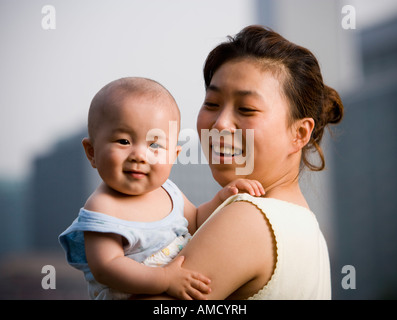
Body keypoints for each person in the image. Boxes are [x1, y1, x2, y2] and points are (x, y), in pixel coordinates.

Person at [143, 25, 344, 300]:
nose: (220, 124)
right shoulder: (309, 230)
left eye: (246, 109)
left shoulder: (247, 218)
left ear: (299, 133)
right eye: (212, 103)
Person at [59, 77, 265, 300]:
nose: (139, 155)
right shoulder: (103, 207)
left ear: (173, 156)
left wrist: (223, 198)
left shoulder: (169, 192)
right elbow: (107, 267)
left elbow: (196, 221)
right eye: (124, 141)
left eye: (154, 145)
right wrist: (165, 279)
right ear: (91, 151)